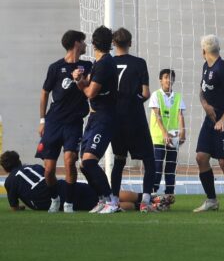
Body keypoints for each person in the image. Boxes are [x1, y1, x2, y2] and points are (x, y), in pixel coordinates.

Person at [1, 150, 172, 212]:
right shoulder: (32, 167)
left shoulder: (10, 182)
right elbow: (48, 174)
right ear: (19, 161)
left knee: (99, 205)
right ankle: (149, 197)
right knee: (105, 195)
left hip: (51, 200)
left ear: (5, 169)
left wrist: (22, 206)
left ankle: (149, 206)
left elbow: (15, 207)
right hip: (63, 186)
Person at [36, 30, 92, 213]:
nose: (85, 45)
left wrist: (80, 79)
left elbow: (90, 89)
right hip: (53, 122)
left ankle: (69, 203)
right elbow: (45, 93)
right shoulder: (55, 67)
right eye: (83, 41)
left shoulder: (87, 65)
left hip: (74, 123)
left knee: (70, 161)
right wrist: (42, 120)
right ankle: (55, 198)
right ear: (76, 43)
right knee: (49, 170)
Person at [72, 25, 120, 214]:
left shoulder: (104, 64)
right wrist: (80, 78)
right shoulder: (100, 63)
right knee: (84, 164)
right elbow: (88, 85)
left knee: (90, 161)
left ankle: (111, 201)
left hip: (104, 118)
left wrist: (78, 82)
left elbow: (90, 92)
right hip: (95, 117)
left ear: (93, 43)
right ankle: (102, 199)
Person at [193, 35, 224, 213]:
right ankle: (211, 200)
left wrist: (223, 119)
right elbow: (202, 90)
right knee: (201, 157)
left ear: (203, 51)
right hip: (210, 120)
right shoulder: (206, 66)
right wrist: (205, 106)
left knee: (223, 162)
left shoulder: (223, 68)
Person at [111, 28, 157, 212]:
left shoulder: (107, 63)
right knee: (149, 160)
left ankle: (113, 199)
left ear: (114, 44)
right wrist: (134, 101)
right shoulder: (139, 63)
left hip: (115, 119)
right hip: (135, 118)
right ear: (130, 43)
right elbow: (145, 93)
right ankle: (146, 199)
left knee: (119, 160)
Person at [149, 69, 186, 197]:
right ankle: (152, 193)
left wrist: (183, 133)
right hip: (158, 138)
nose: (168, 80)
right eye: (166, 77)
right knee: (157, 166)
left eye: (171, 78)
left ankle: (169, 194)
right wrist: (164, 133)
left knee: (170, 168)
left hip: (173, 138)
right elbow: (157, 115)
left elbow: (180, 115)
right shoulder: (155, 95)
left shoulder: (178, 97)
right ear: (160, 80)